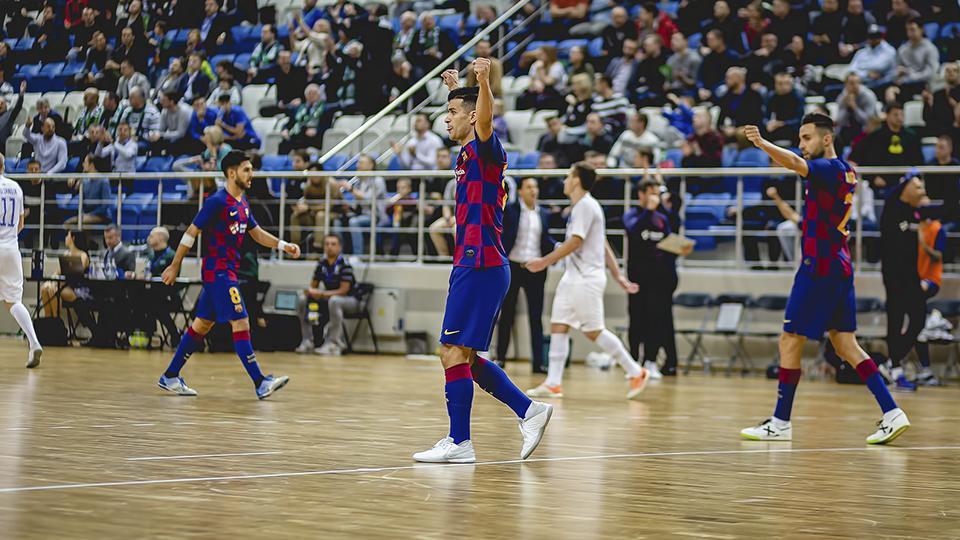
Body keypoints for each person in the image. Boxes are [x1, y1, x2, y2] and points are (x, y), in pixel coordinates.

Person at [412, 60, 552, 464]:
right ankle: (530, 411)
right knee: (465, 357)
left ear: (475, 116)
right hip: (474, 264)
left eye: (452, 113)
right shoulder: (468, 153)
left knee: (451, 351)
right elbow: (468, 113)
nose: (445, 119)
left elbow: (482, 118)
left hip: (481, 263)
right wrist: (455, 89)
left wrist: (483, 82)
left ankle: (460, 443)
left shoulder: (487, 148)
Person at [738, 115, 910, 445]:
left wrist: (761, 143)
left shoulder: (828, 168)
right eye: (800, 139)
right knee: (845, 344)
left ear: (826, 139)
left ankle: (780, 421)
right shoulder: (846, 170)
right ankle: (892, 412)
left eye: (806, 138)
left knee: (790, 340)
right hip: (840, 265)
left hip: (818, 267)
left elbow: (793, 162)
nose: (802, 145)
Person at [158, 150, 301, 399]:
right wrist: (175, 264)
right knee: (241, 321)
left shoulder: (242, 203)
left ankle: (170, 375)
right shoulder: (217, 201)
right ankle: (260, 381)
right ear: (232, 173)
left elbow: (256, 234)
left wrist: (283, 245)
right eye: (247, 169)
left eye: (251, 169)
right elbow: (192, 232)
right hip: (219, 273)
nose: (251, 174)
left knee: (201, 326)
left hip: (226, 273)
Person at [525, 161, 650, 399]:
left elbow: (576, 242)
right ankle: (553, 383)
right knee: (558, 326)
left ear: (577, 180)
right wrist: (619, 276)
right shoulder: (582, 207)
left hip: (586, 279)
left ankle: (635, 371)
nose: (564, 180)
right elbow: (603, 245)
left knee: (594, 331)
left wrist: (544, 261)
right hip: (572, 277)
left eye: (568, 176)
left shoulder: (585, 206)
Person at [624, 179, 690, 378]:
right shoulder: (632, 215)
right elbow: (634, 231)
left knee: (655, 320)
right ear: (642, 195)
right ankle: (634, 361)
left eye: (657, 193)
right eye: (652, 192)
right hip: (637, 277)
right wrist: (648, 212)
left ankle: (651, 361)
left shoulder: (662, 218)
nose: (656, 197)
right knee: (636, 320)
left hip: (657, 278)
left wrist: (681, 247)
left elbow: (670, 238)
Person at [496, 178, 556, 373]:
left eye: (536, 187)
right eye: (529, 187)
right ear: (520, 191)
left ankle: (538, 362)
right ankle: (501, 357)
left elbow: (545, 238)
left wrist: (557, 247)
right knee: (507, 313)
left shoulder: (544, 213)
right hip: (513, 266)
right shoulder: (511, 210)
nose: (533, 190)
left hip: (536, 268)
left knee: (536, 316)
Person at [879, 172, 928, 392]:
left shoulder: (913, 212)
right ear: (906, 188)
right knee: (896, 321)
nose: (923, 192)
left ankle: (891, 362)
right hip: (894, 275)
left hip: (911, 275)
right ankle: (896, 369)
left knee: (919, 319)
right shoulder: (892, 207)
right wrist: (908, 177)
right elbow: (893, 193)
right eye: (918, 188)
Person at [0, 154, 42, 368]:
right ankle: (34, 343)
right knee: (13, 301)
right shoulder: (16, 187)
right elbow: (21, 223)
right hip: (11, 248)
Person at [295, 234, 360, 356]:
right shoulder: (321, 264)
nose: (329, 247)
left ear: (340, 247)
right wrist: (310, 292)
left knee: (335, 301)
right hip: (329, 299)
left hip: (351, 300)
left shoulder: (345, 264)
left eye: (333, 244)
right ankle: (308, 340)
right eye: (327, 244)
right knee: (303, 299)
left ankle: (333, 343)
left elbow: (343, 291)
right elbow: (313, 286)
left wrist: (322, 294)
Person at [341, 154, 387, 256]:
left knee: (354, 222)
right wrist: (348, 207)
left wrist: (351, 189)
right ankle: (341, 255)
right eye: (358, 163)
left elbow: (368, 199)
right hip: (362, 214)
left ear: (370, 165)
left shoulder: (378, 180)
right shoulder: (359, 182)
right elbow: (358, 205)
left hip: (376, 216)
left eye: (361, 163)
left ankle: (358, 255)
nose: (358, 165)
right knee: (339, 219)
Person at [64, 155, 112, 226]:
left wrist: (90, 214)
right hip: (86, 215)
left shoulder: (104, 181)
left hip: (102, 215)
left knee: (83, 221)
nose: (83, 164)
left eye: (85, 162)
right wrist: (74, 183)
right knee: (67, 223)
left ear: (91, 165)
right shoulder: (84, 180)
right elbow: (77, 197)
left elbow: (105, 205)